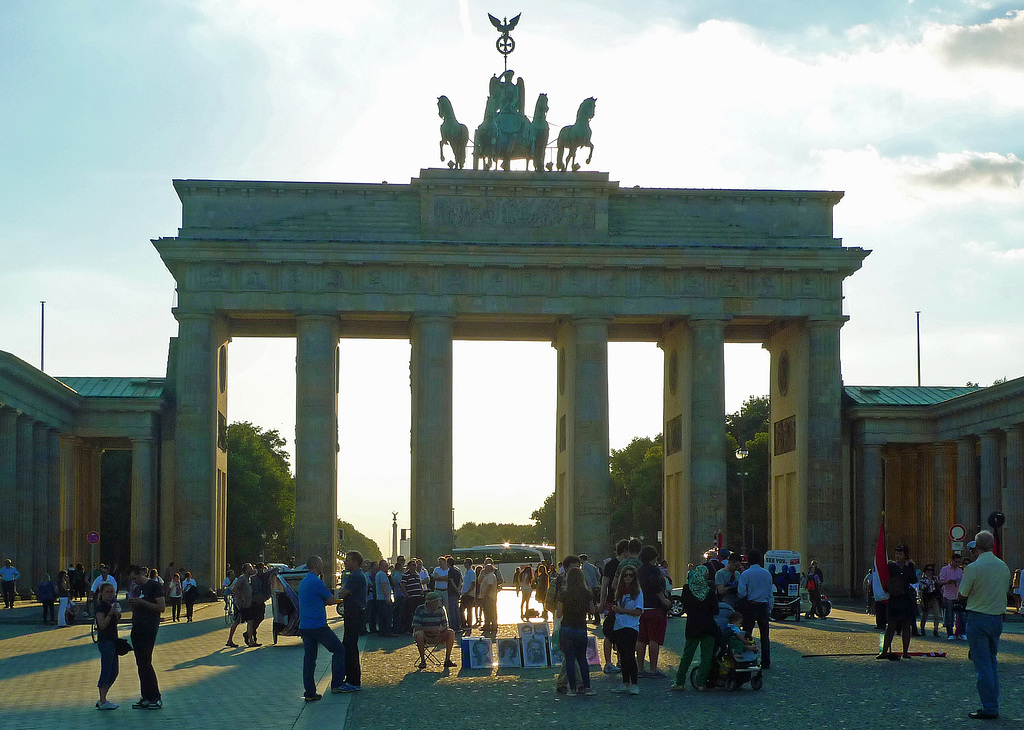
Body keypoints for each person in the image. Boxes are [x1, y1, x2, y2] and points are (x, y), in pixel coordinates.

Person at [959, 530, 1010, 720]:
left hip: (978, 617)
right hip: (996, 619)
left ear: (976, 547)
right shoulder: (1003, 566)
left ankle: (989, 707)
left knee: (982, 665)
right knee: (992, 662)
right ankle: (992, 702)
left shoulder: (973, 568)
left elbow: (962, 594)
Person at [297, 554, 352, 700]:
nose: (323, 567)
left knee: (309, 659)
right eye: (321, 564)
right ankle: (337, 684)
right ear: (315, 566)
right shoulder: (317, 582)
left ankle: (309, 692)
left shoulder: (303, 582)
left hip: (305, 625)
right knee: (339, 650)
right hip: (318, 625)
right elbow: (330, 600)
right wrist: (341, 598)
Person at [670, 565, 718, 691]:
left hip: (693, 626)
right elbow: (716, 611)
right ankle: (701, 683)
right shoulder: (710, 592)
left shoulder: (687, 590)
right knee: (706, 657)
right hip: (708, 626)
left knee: (687, 655)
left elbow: (685, 607)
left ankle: (679, 682)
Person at [127, 564, 164, 709]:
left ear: (142, 573)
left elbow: (161, 607)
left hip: (149, 628)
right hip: (137, 628)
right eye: (131, 580)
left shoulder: (154, 586)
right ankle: (146, 696)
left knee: (146, 662)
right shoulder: (136, 589)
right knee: (140, 663)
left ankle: (155, 696)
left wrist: (142, 602)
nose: (134, 581)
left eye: (135, 578)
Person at [556, 565, 596, 695]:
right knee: (582, 659)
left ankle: (572, 688)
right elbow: (592, 611)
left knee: (569, 659)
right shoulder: (587, 593)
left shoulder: (564, 593)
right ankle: (587, 687)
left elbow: (559, 613)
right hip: (581, 627)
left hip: (567, 627)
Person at [609, 565, 644, 695]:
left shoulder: (638, 592)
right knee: (622, 656)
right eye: (625, 575)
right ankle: (625, 683)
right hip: (619, 626)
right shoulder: (620, 592)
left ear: (634, 577)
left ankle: (634, 684)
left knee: (629, 655)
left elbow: (638, 611)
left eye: (630, 575)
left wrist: (621, 610)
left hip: (631, 626)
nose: (628, 577)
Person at [637, 545, 670, 678]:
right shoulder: (655, 570)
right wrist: (665, 601)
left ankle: (640, 668)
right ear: (654, 556)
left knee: (641, 639)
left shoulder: (639, 570)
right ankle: (653, 668)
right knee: (654, 639)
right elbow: (657, 587)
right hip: (655, 608)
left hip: (641, 608)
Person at [877, 544, 916, 660]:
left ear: (905, 555)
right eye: (897, 553)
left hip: (906, 598)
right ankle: (884, 651)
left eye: (901, 553)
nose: (898, 556)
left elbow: (914, 579)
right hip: (895, 598)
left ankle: (905, 652)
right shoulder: (891, 566)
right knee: (891, 626)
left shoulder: (910, 566)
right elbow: (884, 578)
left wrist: (909, 567)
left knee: (906, 626)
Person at [737, 549, 773, 669]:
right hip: (763, 606)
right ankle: (766, 661)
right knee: (764, 635)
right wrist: (769, 608)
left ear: (748, 560)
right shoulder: (767, 573)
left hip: (750, 606)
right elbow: (770, 593)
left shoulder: (745, 574)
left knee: (747, 633)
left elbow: (741, 593)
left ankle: (747, 658)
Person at [336, 551, 367, 690]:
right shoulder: (358, 575)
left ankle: (353, 681)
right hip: (355, 612)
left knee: (350, 647)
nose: (345, 562)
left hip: (353, 613)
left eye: (347, 560)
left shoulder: (355, 577)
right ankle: (351, 678)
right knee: (349, 645)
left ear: (355, 561)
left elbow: (342, 593)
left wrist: (341, 591)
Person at [600, 540, 628, 674]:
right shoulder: (615, 565)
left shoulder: (610, 564)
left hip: (616, 601)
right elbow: (605, 585)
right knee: (610, 633)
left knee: (620, 633)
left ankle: (618, 661)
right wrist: (602, 603)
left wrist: (601, 602)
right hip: (615, 602)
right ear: (625, 551)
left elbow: (604, 585)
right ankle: (609, 662)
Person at [94, 582, 122, 710]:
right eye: (107, 592)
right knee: (107, 670)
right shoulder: (101, 607)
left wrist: (117, 615)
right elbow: (102, 625)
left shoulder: (112, 605)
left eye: (112, 592)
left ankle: (103, 699)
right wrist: (111, 613)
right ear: (101, 593)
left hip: (113, 640)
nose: (110, 594)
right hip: (105, 642)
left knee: (114, 671)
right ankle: (102, 700)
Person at [412, 591, 457, 668]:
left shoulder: (440, 609)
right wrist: (430, 629)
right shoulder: (420, 609)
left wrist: (442, 629)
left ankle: (447, 660)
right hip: (425, 636)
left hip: (438, 634)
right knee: (418, 634)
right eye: (435, 601)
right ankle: (423, 661)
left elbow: (445, 625)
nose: (437, 603)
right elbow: (416, 626)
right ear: (429, 602)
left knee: (451, 632)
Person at [937, 553, 965, 640]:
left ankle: (962, 632)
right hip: (948, 595)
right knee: (949, 615)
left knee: (961, 615)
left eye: (959, 562)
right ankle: (950, 633)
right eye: (956, 562)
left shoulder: (960, 571)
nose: (957, 564)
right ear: (952, 560)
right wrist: (948, 581)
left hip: (957, 595)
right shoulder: (944, 569)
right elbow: (940, 582)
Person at [226, 563, 254, 648]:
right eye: (250, 568)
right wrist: (241, 597)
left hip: (247, 605)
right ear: (245, 570)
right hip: (241, 605)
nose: (251, 569)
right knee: (237, 621)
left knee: (250, 621)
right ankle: (230, 640)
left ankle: (251, 640)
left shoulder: (249, 579)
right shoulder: (242, 578)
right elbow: (235, 588)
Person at [249, 563, 273, 640]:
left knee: (261, 617)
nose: (260, 569)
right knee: (254, 618)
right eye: (259, 568)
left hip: (261, 600)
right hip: (254, 600)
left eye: (262, 568)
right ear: (256, 569)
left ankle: (251, 632)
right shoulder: (253, 578)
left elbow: (275, 570)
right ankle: (252, 634)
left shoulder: (266, 576)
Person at [918, 564, 942, 636]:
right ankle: (922, 629)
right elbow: (921, 590)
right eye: (928, 570)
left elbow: (938, 587)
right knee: (925, 615)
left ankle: (936, 630)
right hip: (926, 598)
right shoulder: (923, 579)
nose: (929, 571)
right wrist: (921, 600)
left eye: (931, 570)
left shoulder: (935, 578)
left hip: (934, 598)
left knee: (937, 614)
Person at [401, 559, 425, 633]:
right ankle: (408, 628)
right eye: (413, 565)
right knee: (409, 613)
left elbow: (420, 584)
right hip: (411, 597)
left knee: (418, 613)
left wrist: (422, 592)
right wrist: (407, 595)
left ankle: (417, 627)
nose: (414, 567)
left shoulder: (417, 574)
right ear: (409, 566)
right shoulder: (406, 575)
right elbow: (402, 585)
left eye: (415, 565)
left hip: (418, 597)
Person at [373, 559, 394, 637]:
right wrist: (388, 597)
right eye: (385, 566)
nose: (387, 567)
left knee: (381, 617)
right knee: (387, 616)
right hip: (383, 598)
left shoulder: (378, 574)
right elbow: (384, 585)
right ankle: (387, 632)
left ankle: (382, 631)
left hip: (380, 598)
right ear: (381, 566)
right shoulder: (382, 575)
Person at [479, 560, 499, 634]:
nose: (484, 570)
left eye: (486, 568)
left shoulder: (490, 576)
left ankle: (492, 625)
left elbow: (490, 586)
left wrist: (485, 595)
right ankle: (488, 625)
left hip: (489, 597)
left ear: (490, 569)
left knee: (490, 611)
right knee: (487, 611)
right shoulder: (489, 575)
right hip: (489, 596)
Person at [580, 554, 601, 623]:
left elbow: (586, 578)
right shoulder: (592, 566)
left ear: (582, 559)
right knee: (595, 602)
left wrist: (587, 586)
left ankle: (591, 616)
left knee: (588, 602)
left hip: (589, 587)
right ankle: (597, 618)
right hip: (596, 586)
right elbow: (598, 575)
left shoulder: (584, 567)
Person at [445, 556, 462, 635]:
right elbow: (460, 581)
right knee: (457, 610)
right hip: (457, 592)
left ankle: (453, 627)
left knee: (452, 611)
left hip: (452, 592)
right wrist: (459, 589)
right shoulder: (457, 570)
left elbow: (451, 581)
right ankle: (458, 626)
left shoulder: (451, 571)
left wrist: (456, 589)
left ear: (448, 563)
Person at [391, 556, 407, 635]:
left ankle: (400, 627)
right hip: (399, 595)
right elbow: (402, 584)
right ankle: (397, 628)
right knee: (398, 612)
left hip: (400, 595)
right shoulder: (397, 574)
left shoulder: (401, 573)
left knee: (401, 612)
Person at [460, 557, 476, 633]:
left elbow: (473, 583)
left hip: (469, 594)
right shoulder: (466, 572)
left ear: (469, 564)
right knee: (462, 609)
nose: (464, 564)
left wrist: (468, 592)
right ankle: (464, 623)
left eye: (465, 563)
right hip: (465, 593)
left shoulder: (471, 572)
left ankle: (468, 624)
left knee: (468, 609)